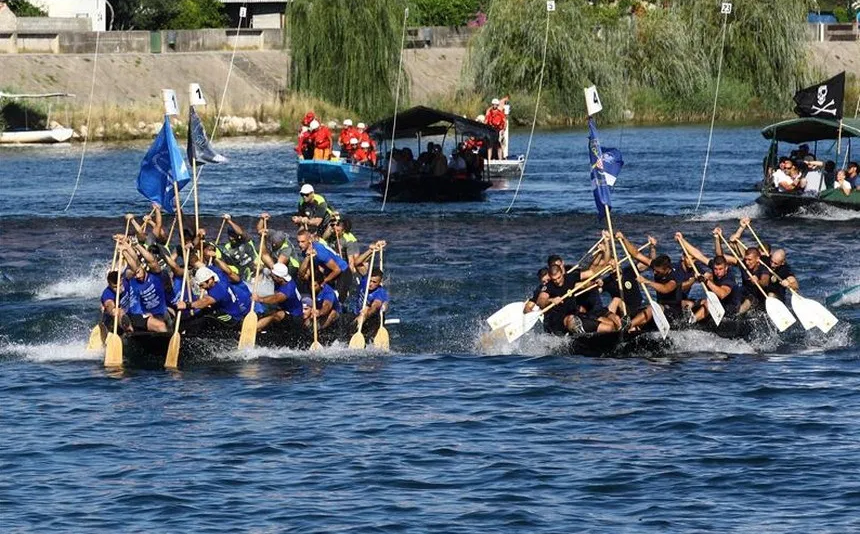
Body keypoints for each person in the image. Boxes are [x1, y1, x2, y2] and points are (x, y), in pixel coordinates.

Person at [616, 232, 684, 332]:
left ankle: (626, 327)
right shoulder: (657, 266)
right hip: (661, 307)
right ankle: (633, 328)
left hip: (673, 312)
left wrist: (646, 281)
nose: (654, 272)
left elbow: (665, 289)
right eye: (654, 270)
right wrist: (623, 239)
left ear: (666, 269)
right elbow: (636, 254)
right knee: (640, 311)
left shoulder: (674, 277)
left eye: (658, 271)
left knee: (652, 308)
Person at [676, 232, 741, 323]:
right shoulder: (715, 267)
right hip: (719, 303)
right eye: (715, 269)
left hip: (732, 307)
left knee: (708, 302)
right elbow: (698, 255)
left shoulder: (729, 277)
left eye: (720, 269)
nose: (717, 272)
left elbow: (722, 294)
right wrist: (682, 240)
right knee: (703, 301)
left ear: (726, 268)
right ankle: (691, 320)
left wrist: (706, 281)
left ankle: (693, 321)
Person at [119, 238, 170, 333]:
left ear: (144, 268)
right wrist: (124, 251)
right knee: (161, 326)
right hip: (140, 314)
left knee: (170, 315)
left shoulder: (155, 277)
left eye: (138, 272)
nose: (137, 276)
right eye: (135, 273)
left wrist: (136, 244)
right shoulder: (133, 279)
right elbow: (133, 262)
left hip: (159, 313)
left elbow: (152, 261)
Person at [714, 227, 770, 314]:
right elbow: (720, 257)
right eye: (746, 259)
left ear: (757, 259)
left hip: (759, 297)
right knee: (736, 290)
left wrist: (757, 281)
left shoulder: (763, 267)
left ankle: (737, 317)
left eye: (750, 260)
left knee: (749, 299)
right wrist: (717, 238)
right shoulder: (743, 264)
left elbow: (765, 281)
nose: (747, 262)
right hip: (744, 292)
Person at [177, 266, 253, 325]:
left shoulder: (218, 290)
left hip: (231, 318)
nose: (201, 288)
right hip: (222, 311)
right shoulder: (219, 276)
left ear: (209, 280)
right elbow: (197, 263)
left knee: (206, 318)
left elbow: (204, 302)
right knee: (200, 313)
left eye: (202, 285)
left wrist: (187, 305)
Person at [296, 229, 351, 304]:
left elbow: (337, 270)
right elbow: (302, 273)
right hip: (329, 271)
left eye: (303, 242)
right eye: (298, 242)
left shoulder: (319, 252)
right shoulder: (305, 251)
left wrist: (324, 282)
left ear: (309, 241)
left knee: (338, 299)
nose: (300, 244)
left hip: (342, 271)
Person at [254, 263, 304, 332]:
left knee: (276, 315)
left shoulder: (287, 290)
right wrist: (261, 268)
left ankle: (252, 330)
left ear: (279, 278)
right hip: (284, 310)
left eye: (273, 276)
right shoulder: (281, 280)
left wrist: (259, 299)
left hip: (295, 318)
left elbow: (275, 299)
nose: (271, 276)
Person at [220, 214, 258, 282]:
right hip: (242, 273)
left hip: (256, 267)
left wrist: (229, 221)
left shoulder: (245, 240)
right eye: (230, 236)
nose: (232, 238)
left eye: (234, 236)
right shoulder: (227, 247)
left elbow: (240, 232)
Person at [357, 267, 389, 337]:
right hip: (358, 315)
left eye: (374, 282)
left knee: (367, 309)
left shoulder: (380, 293)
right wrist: (368, 255)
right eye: (370, 281)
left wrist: (365, 313)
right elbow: (357, 264)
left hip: (373, 318)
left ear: (380, 282)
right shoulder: (364, 281)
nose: (370, 284)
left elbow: (375, 306)